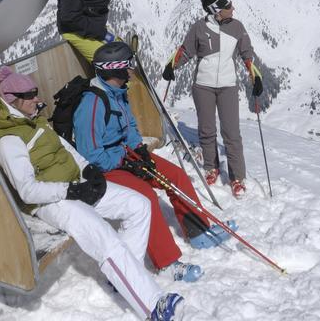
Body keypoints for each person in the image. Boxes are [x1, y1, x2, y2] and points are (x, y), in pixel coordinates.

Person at [0, 65, 186, 321]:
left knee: (138, 204)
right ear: (12, 101)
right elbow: (28, 191)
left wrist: (88, 169)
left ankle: (125, 278)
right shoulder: (9, 142)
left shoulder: (35, 122)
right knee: (103, 236)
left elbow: (66, 150)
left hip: (74, 184)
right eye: (30, 95)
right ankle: (153, 305)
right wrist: (70, 190)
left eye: (35, 92)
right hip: (51, 201)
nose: (37, 99)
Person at [73, 42, 233, 276]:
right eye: (128, 66)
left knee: (176, 175)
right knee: (145, 195)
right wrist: (124, 161)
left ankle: (198, 231)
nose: (131, 70)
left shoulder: (118, 92)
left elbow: (129, 127)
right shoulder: (92, 104)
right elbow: (90, 155)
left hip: (126, 155)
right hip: (104, 167)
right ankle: (166, 262)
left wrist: (141, 152)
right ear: (114, 69)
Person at [161, 0, 262, 199]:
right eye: (229, 7)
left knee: (232, 134)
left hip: (228, 86)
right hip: (203, 86)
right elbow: (186, 51)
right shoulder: (199, 27)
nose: (233, 9)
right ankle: (211, 168)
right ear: (217, 11)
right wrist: (172, 66)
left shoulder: (237, 27)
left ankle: (237, 177)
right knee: (207, 130)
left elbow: (247, 54)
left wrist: (256, 77)